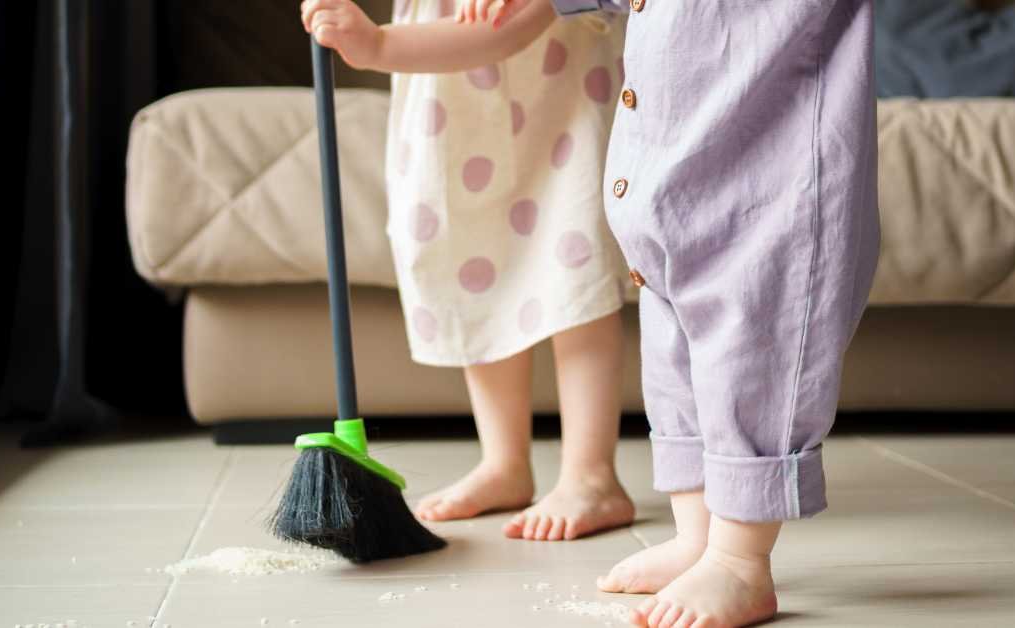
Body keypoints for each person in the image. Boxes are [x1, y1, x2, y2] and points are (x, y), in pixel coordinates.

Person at [462, 0, 881, 625]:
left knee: (753, 371)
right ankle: (696, 537)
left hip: (770, 191)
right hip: (667, 186)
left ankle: (740, 561)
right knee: (674, 367)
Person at [300, 0, 635, 542]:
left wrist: (375, 46)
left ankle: (590, 474)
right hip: (449, 110)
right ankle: (504, 462)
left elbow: (504, 32)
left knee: (573, 268)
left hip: (558, 89)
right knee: (471, 259)